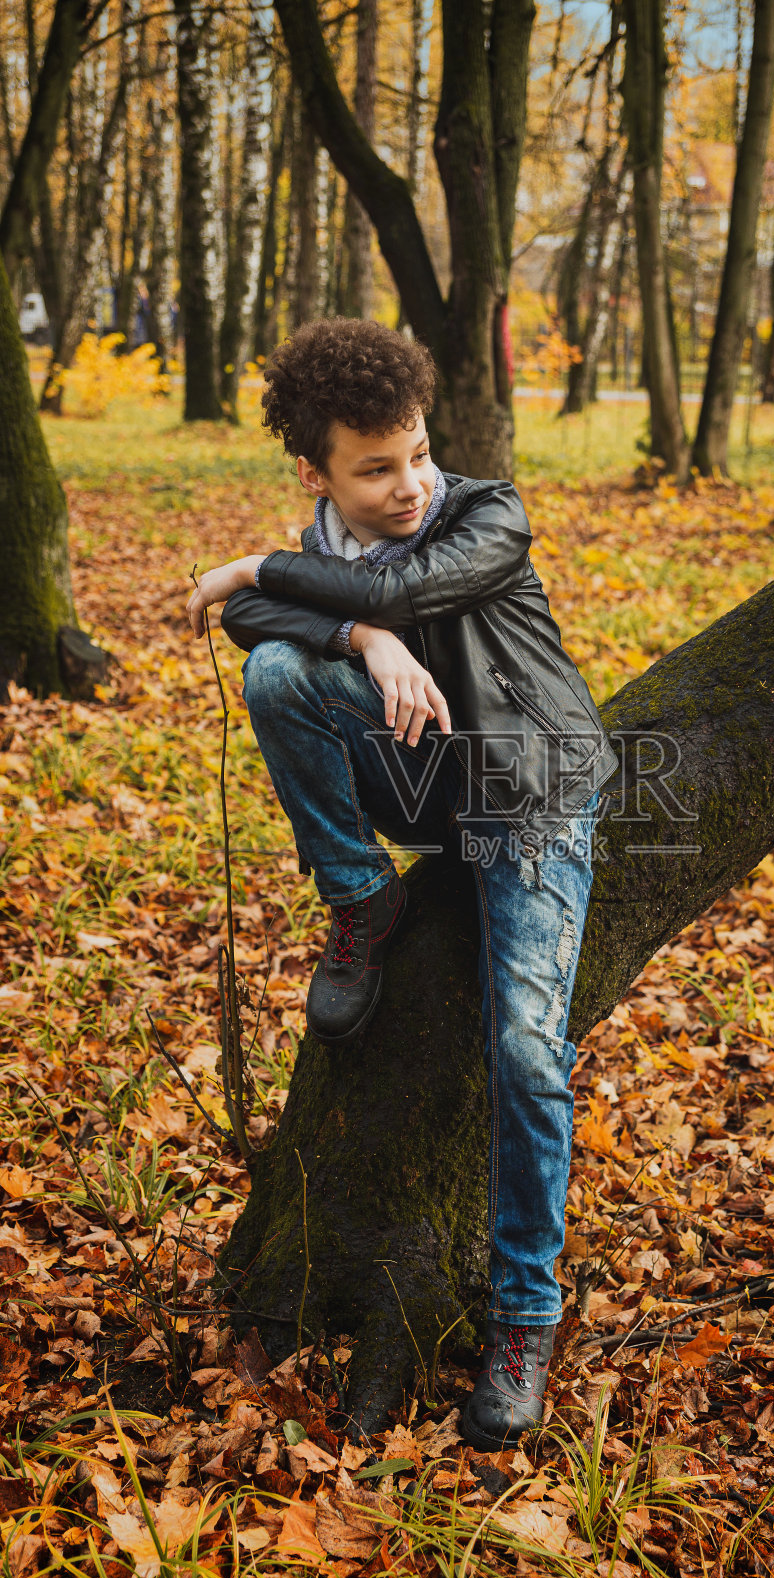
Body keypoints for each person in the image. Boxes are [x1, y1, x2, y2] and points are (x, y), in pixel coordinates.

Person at [185, 317, 618, 1451]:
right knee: (280, 673)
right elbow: (255, 624)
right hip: (428, 784)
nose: (410, 483)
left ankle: (524, 1314)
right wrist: (366, 641)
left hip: (529, 796)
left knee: (525, 1048)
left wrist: (260, 568)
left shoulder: (487, 512)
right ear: (315, 473)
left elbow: (403, 583)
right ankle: (360, 896)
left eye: (418, 452)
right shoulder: (327, 545)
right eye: (376, 469)